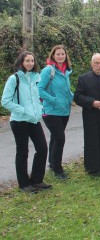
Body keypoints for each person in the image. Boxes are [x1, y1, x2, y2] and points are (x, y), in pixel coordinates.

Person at [2, 51, 51, 193]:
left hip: (34, 119)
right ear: (21, 62)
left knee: (42, 147)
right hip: (19, 120)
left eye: (32, 60)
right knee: (23, 151)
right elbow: (5, 101)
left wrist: (39, 108)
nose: (30, 63)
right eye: (27, 61)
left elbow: (37, 97)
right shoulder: (14, 79)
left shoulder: (37, 77)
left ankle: (37, 180)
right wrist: (22, 110)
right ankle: (24, 184)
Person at [38, 45, 74, 180]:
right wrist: (53, 100)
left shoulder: (66, 71)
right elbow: (39, 89)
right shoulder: (48, 71)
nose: (60, 56)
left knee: (55, 137)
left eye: (62, 54)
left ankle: (52, 165)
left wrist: (71, 97)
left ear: (66, 56)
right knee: (60, 138)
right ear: (53, 56)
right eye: (58, 54)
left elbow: (65, 90)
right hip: (51, 111)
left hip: (64, 110)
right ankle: (58, 169)